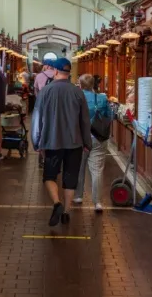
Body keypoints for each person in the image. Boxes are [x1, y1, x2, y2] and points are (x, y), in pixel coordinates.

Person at [31, 58, 92, 226]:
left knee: (49, 176)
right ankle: (66, 212)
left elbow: (37, 118)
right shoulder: (77, 92)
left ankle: (56, 203)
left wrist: (36, 141)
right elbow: (85, 121)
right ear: (69, 73)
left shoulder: (45, 92)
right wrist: (87, 143)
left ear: (55, 71)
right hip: (75, 142)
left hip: (51, 141)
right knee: (70, 178)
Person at [72, 74, 112, 212]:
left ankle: (78, 196)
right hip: (98, 138)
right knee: (97, 170)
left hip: (81, 138)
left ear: (80, 85)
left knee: (79, 167)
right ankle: (97, 202)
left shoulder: (76, 97)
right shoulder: (102, 98)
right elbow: (110, 116)